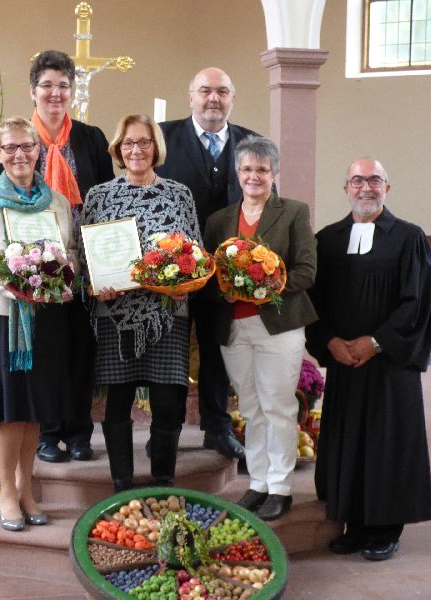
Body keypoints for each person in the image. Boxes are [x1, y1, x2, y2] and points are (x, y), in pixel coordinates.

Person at [306, 158, 431, 560]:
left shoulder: (408, 238)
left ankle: (385, 528)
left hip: (388, 364)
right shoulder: (327, 239)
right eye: (358, 180)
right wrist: (329, 341)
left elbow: (417, 302)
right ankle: (354, 522)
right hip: (345, 363)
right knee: (350, 440)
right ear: (346, 187)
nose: (366, 188)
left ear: (388, 187)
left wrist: (376, 342)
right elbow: (313, 302)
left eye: (375, 180)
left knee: (387, 442)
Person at [0, 50, 115, 464]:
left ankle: (79, 432)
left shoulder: (91, 138)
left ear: (72, 91)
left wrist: (102, 261)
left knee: (80, 346)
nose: (55, 93)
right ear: (33, 91)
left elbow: (105, 200)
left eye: (63, 85)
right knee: (43, 350)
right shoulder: (18, 141)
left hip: (82, 263)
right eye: (47, 85)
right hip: (34, 270)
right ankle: (47, 432)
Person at [0, 116, 78, 531]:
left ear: (38, 150)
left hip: (45, 318)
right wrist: (19, 286)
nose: (19, 155)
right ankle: (7, 494)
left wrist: (60, 276)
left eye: (26, 146)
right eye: (9, 148)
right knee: (9, 409)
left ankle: (27, 488)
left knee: (34, 408)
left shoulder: (56, 202)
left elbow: (68, 252)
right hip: (3, 316)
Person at [83, 114, 201, 491]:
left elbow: (195, 250)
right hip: (116, 314)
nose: (136, 150)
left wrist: (185, 284)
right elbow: (87, 255)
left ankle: (163, 479)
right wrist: (96, 284)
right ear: (118, 149)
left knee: (169, 401)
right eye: (129, 143)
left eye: (144, 142)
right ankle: (122, 481)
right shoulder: (99, 195)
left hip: (167, 311)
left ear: (156, 148)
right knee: (117, 401)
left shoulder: (179, 193)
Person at [204, 136, 317, 520]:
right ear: (238, 173)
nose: (254, 176)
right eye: (248, 169)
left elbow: (307, 269)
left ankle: (281, 487)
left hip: (278, 327)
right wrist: (226, 288)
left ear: (274, 174)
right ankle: (258, 484)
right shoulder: (219, 220)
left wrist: (266, 285)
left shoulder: (294, 212)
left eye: (262, 170)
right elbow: (209, 276)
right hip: (234, 329)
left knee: (278, 406)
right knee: (251, 408)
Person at [156, 67, 262, 460]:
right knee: (171, 350)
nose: (213, 98)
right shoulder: (163, 137)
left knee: (219, 349)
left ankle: (217, 428)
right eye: (205, 91)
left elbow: (265, 201)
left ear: (232, 97)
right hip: (173, 269)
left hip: (227, 271)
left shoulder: (251, 142)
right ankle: (164, 430)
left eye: (221, 91)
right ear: (190, 96)